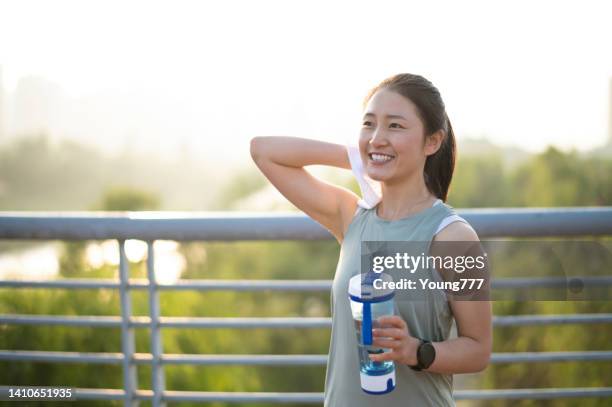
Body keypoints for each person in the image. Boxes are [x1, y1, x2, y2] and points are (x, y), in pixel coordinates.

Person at [250, 73, 492, 406]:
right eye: (369, 124)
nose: (378, 137)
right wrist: (358, 155)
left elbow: (478, 349)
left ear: (432, 142)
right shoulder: (350, 216)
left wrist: (416, 350)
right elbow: (263, 150)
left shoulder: (454, 237)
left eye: (395, 126)